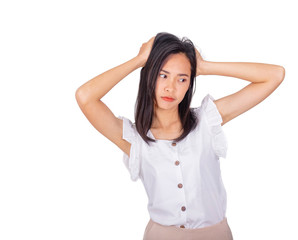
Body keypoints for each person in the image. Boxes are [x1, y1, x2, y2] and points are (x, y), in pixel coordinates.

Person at [75, 32, 285, 240]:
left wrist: (204, 67)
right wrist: (138, 60)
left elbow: (274, 75)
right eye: (162, 75)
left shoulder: (206, 120)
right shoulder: (134, 139)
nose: (170, 87)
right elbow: (85, 97)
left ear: (189, 84)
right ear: (149, 76)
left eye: (182, 79)